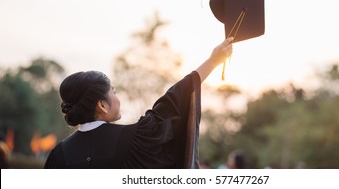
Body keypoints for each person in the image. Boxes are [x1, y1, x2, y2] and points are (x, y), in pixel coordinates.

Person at [44, 38, 233, 169]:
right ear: (102, 105)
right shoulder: (134, 139)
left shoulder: (58, 155)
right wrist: (213, 61)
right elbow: (173, 102)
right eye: (114, 92)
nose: (118, 98)